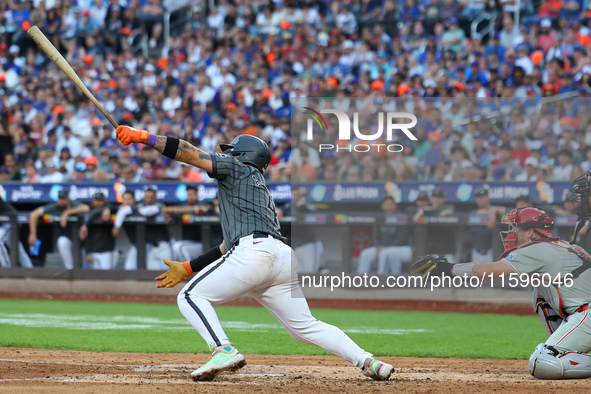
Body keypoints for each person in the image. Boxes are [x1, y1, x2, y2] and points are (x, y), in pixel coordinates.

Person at [115, 126, 394, 382]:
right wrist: (189, 267)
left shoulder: (236, 167)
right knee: (306, 327)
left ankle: (223, 349)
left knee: (190, 296)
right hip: (281, 258)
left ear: (243, 154)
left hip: (255, 253)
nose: (227, 154)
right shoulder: (258, 188)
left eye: (232, 150)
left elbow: (188, 153)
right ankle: (369, 361)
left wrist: (145, 137)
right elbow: (228, 245)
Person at [411, 206, 591, 379]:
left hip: (586, 315)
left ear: (530, 232)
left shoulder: (537, 248)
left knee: (542, 361)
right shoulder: (566, 246)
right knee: (540, 293)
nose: (511, 233)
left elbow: (484, 272)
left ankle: (555, 352)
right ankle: (561, 347)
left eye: (516, 228)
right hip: (582, 315)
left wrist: (447, 269)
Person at [28, 189, 90, 269]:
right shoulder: (55, 207)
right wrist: (33, 234)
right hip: (69, 239)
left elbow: (86, 208)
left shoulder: (74, 204)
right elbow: (34, 214)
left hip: (82, 241)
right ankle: (69, 270)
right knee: (62, 241)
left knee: (86, 267)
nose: (61, 201)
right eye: (60, 199)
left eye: (64, 199)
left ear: (68, 199)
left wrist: (67, 212)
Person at [112, 189, 172, 270]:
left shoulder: (159, 206)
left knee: (168, 273)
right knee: (149, 273)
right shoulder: (138, 206)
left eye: (151, 197)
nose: (149, 199)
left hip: (163, 245)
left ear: (155, 197)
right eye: (146, 196)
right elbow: (123, 211)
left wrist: (139, 209)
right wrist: (117, 226)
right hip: (149, 247)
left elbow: (147, 211)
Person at [357, 196, 412, 275]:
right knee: (365, 254)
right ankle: (360, 279)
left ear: (395, 205)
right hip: (383, 247)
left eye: (391, 204)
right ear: (382, 206)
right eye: (386, 204)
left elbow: (401, 239)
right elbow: (376, 237)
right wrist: (378, 246)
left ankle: (381, 280)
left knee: (385, 253)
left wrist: (386, 247)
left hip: (400, 247)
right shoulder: (380, 218)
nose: (389, 207)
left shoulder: (401, 217)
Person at [162, 186, 209, 262]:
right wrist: (169, 214)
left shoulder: (202, 204)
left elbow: (203, 209)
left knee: (178, 246)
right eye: (188, 194)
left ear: (197, 195)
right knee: (173, 246)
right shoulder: (183, 205)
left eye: (192, 194)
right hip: (187, 243)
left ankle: (190, 271)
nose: (190, 197)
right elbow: (165, 210)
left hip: (201, 244)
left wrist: (179, 210)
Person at [413, 187, 457, 263]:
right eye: (434, 197)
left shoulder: (448, 207)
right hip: (431, 252)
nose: (436, 200)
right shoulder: (426, 210)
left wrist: (446, 212)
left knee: (449, 273)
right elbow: (415, 220)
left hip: (446, 250)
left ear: (443, 199)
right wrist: (422, 211)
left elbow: (450, 211)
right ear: (431, 199)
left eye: (439, 197)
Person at [79, 192, 116, 270]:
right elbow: (87, 236)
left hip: (107, 251)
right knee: (95, 278)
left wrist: (107, 208)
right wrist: (88, 252)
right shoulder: (89, 214)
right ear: (93, 201)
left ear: (104, 201)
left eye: (100, 200)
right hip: (93, 251)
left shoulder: (110, 210)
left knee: (107, 276)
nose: (98, 202)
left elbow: (116, 207)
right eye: (96, 200)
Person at [470, 187, 507, 262]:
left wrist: (492, 212)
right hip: (476, 251)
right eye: (478, 197)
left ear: (487, 198)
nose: (480, 200)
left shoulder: (495, 210)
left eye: (482, 197)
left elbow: (508, 211)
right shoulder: (473, 213)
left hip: (493, 251)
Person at [0, 199, 33, 268]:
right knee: (17, 247)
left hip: (11, 221)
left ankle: (7, 270)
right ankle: (29, 269)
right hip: (4, 223)